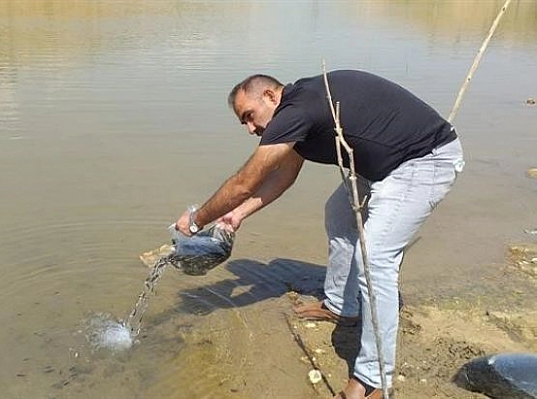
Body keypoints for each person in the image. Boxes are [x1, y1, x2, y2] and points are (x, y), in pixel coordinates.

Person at [174, 70, 464, 399]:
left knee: (375, 258)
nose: (251, 129)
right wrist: (236, 215)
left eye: (249, 117)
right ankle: (342, 306)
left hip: (423, 161)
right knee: (339, 215)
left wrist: (197, 221)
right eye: (244, 124)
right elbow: (283, 176)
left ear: (270, 96)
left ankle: (373, 380)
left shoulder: (297, 110)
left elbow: (244, 182)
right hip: (384, 167)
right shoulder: (299, 111)